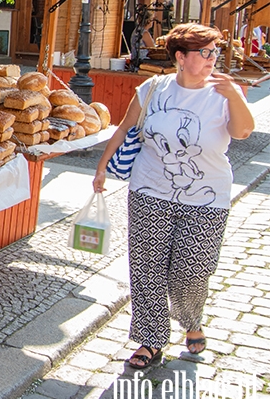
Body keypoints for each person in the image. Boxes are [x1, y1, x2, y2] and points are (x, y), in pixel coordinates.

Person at [93, 23, 254, 369]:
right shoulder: (154, 88)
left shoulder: (224, 93)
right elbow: (125, 127)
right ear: (181, 57)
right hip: (149, 189)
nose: (213, 59)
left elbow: (242, 132)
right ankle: (150, 339)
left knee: (191, 270)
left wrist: (235, 96)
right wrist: (102, 166)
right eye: (205, 52)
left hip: (207, 197)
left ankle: (191, 320)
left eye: (215, 52)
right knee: (147, 267)